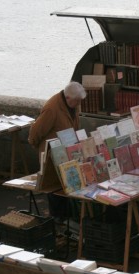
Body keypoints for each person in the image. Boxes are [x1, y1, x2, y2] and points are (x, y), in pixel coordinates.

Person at [28, 81, 86, 223]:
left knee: (65, 186)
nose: (79, 105)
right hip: (52, 154)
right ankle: (57, 219)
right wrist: (40, 149)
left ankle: (65, 218)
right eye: (77, 101)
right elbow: (35, 132)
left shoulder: (72, 105)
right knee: (54, 188)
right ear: (67, 98)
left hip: (66, 152)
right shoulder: (52, 108)